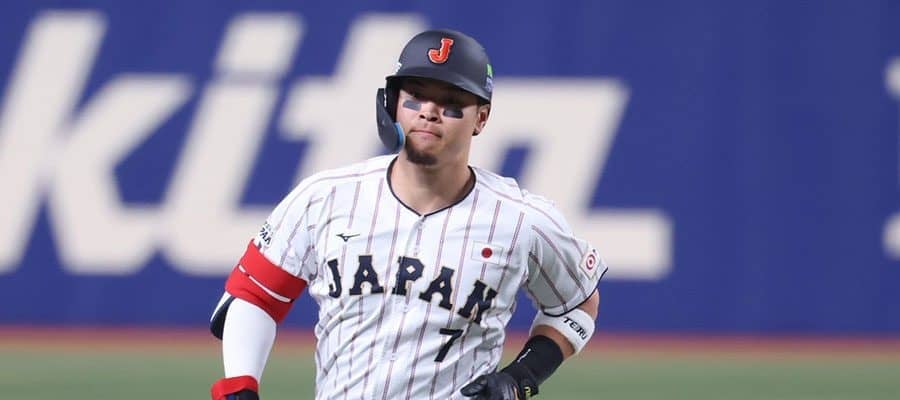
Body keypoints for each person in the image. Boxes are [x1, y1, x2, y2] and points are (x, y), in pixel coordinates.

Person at [208, 28, 606, 400]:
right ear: (392, 104)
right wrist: (240, 385)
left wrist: (523, 376)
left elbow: (578, 303)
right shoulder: (325, 198)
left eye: (451, 103)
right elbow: (254, 295)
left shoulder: (521, 219)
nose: (429, 111)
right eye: (415, 96)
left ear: (481, 118)